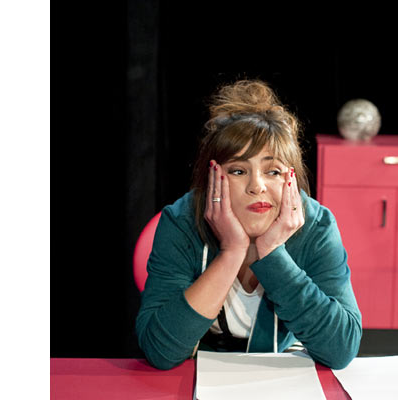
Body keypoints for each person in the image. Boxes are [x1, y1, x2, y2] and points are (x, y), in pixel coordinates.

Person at [135, 79, 362, 370]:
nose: (257, 186)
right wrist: (231, 251)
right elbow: (160, 351)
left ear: (290, 178)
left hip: (286, 367)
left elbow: (341, 349)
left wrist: (272, 252)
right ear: (212, 178)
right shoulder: (181, 221)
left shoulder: (317, 226)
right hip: (199, 367)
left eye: (273, 171)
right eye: (239, 171)